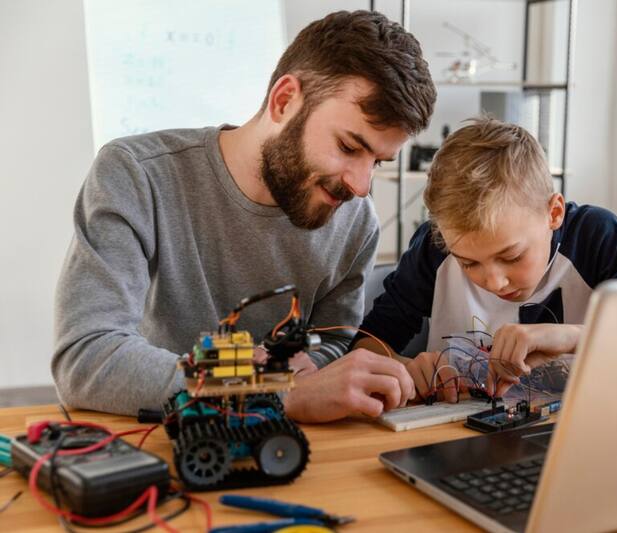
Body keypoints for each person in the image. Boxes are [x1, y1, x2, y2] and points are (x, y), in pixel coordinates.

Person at [52, 10, 436, 422]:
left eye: (377, 161)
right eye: (347, 146)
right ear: (284, 100)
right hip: (160, 440)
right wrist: (271, 392)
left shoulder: (355, 222)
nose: (361, 185)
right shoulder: (137, 175)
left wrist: (322, 369)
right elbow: (86, 356)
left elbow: (333, 342)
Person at [354, 117, 617, 401]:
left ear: (554, 213)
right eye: (468, 263)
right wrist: (402, 368)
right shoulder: (434, 249)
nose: (495, 282)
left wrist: (572, 337)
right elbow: (368, 342)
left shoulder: (597, 237)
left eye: (512, 256)